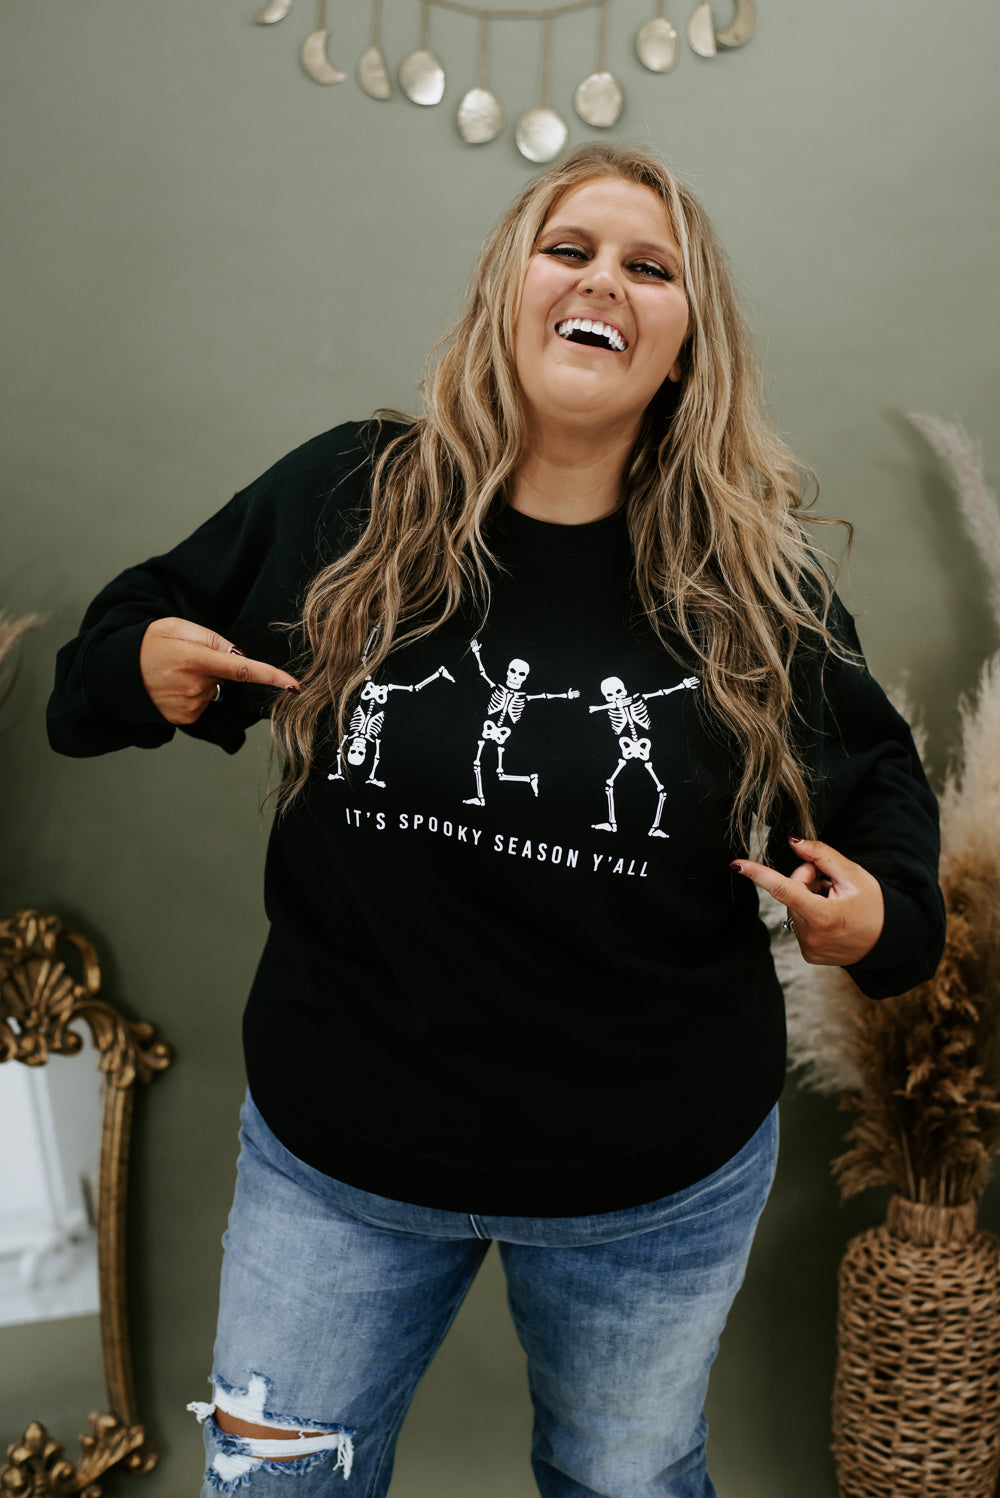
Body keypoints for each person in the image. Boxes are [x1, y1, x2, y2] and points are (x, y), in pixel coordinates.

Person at [47, 144, 945, 1498]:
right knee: (271, 1485)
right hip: (337, 1162)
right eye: (568, 249)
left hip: (650, 1181)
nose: (603, 281)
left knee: (627, 1481)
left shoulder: (754, 578)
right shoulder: (352, 500)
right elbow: (103, 660)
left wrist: (877, 917)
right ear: (504, 291)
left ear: (688, 347)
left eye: (650, 267)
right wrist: (139, 669)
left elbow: (878, 785)